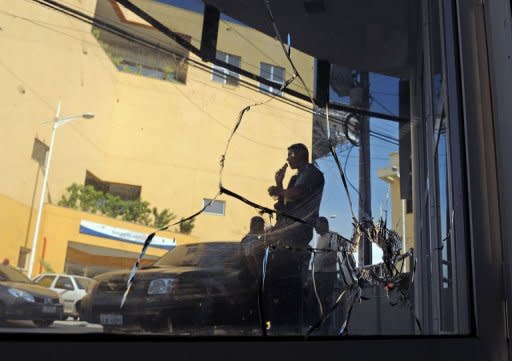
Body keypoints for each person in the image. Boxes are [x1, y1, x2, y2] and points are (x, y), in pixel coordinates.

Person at [264, 143, 325, 335]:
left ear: (301, 155)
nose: (287, 159)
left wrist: (278, 190)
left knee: (290, 294)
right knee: (279, 293)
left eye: (291, 155)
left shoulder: (311, 173)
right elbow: (285, 204)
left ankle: (290, 332)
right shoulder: (294, 178)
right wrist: (280, 184)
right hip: (285, 240)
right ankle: (279, 328)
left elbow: (299, 193)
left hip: (295, 241)